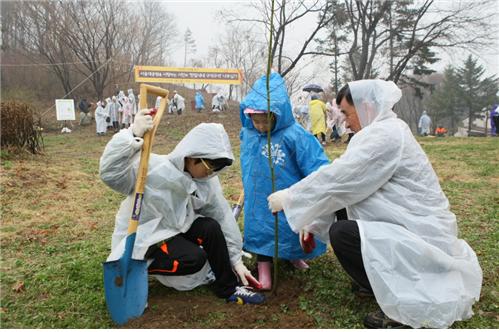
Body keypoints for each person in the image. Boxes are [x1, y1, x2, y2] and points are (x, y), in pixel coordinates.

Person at [268, 79, 482, 328]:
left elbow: (341, 178)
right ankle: (376, 281)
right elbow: (343, 188)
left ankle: (403, 299)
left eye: (347, 113)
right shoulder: (378, 131)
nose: (345, 122)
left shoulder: (385, 134)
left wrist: (291, 198)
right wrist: (312, 220)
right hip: (403, 222)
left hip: (420, 231)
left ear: (366, 106)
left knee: (343, 233)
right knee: (341, 218)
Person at [100, 114, 265, 305]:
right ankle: (143, 265)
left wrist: (235, 259)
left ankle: (227, 287)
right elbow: (110, 174)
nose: (211, 173)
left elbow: (222, 217)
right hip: (145, 236)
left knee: (210, 227)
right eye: (209, 166)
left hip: (176, 229)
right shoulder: (151, 169)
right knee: (194, 259)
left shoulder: (206, 183)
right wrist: (132, 135)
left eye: (216, 169)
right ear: (192, 156)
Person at [240, 72, 329, 290]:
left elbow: (315, 162)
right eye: (256, 120)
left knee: (289, 225)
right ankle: (263, 266)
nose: (260, 126)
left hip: (285, 191)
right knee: (261, 227)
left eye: (265, 121)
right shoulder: (248, 134)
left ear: (278, 114)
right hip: (257, 194)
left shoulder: (294, 134)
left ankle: (293, 254)